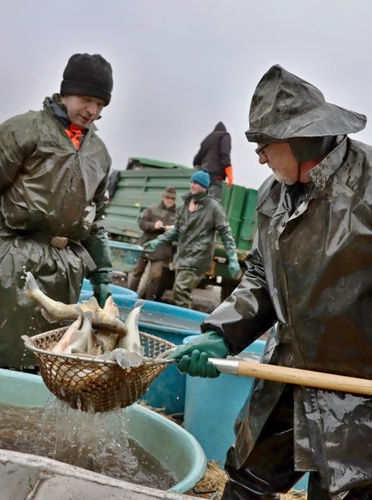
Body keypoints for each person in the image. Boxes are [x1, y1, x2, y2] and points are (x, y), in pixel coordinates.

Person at [168, 64, 372, 499]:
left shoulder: (370, 185)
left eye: (263, 144)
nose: (258, 157)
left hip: (358, 391)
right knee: (246, 481)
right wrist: (222, 332)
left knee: (342, 491)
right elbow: (261, 272)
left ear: (299, 138)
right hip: (285, 372)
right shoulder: (272, 193)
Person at [0, 53, 115, 371]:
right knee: (3, 351)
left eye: (100, 104)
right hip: (14, 260)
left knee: (49, 361)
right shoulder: (23, 131)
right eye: (86, 100)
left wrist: (101, 276)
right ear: (65, 93)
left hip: (67, 269)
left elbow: (95, 219)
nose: (92, 111)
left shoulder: (99, 154)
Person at [144, 170, 240, 309]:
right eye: (191, 182)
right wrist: (158, 241)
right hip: (182, 255)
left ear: (204, 186)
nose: (192, 185)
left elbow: (225, 233)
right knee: (180, 293)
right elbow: (177, 229)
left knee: (180, 291)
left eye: (196, 182)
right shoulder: (183, 206)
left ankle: (183, 323)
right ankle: (182, 321)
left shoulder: (214, 208)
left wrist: (232, 257)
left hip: (199, 257)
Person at [128, 186, 177, 301]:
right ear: (163, 197)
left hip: (162, 249)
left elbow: (181, 229)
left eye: (172, 198)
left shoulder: (178, 214)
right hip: (146, 245)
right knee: (137, 272)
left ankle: (149, 301)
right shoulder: (152, 209)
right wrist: (153, 226)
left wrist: (172, 230)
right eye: (167, 197)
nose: (169, 200)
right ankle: (129, 296)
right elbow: (142, 224)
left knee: (155, 276)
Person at [193, 121, 233, 200]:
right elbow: (224, 153)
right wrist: (228, 168)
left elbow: (196, 160)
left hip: (203, 175)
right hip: (216, 176)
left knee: (200, 200)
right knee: (213, 202)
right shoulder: (225, 135)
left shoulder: (207, 139)